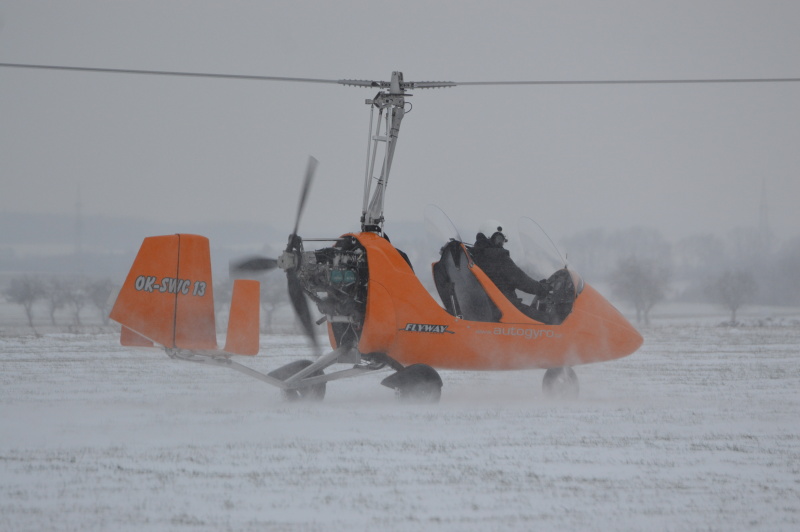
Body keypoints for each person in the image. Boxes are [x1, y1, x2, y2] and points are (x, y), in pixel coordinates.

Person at [470, 220, 550, 317]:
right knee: (550, 320)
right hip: (506, 310)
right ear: (488, 237)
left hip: (489, 310)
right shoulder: (497, 257)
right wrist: (541, 288)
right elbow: (520, 280)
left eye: (502, 241)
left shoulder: (475, 256)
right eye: (499, 239)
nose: (500, 244)